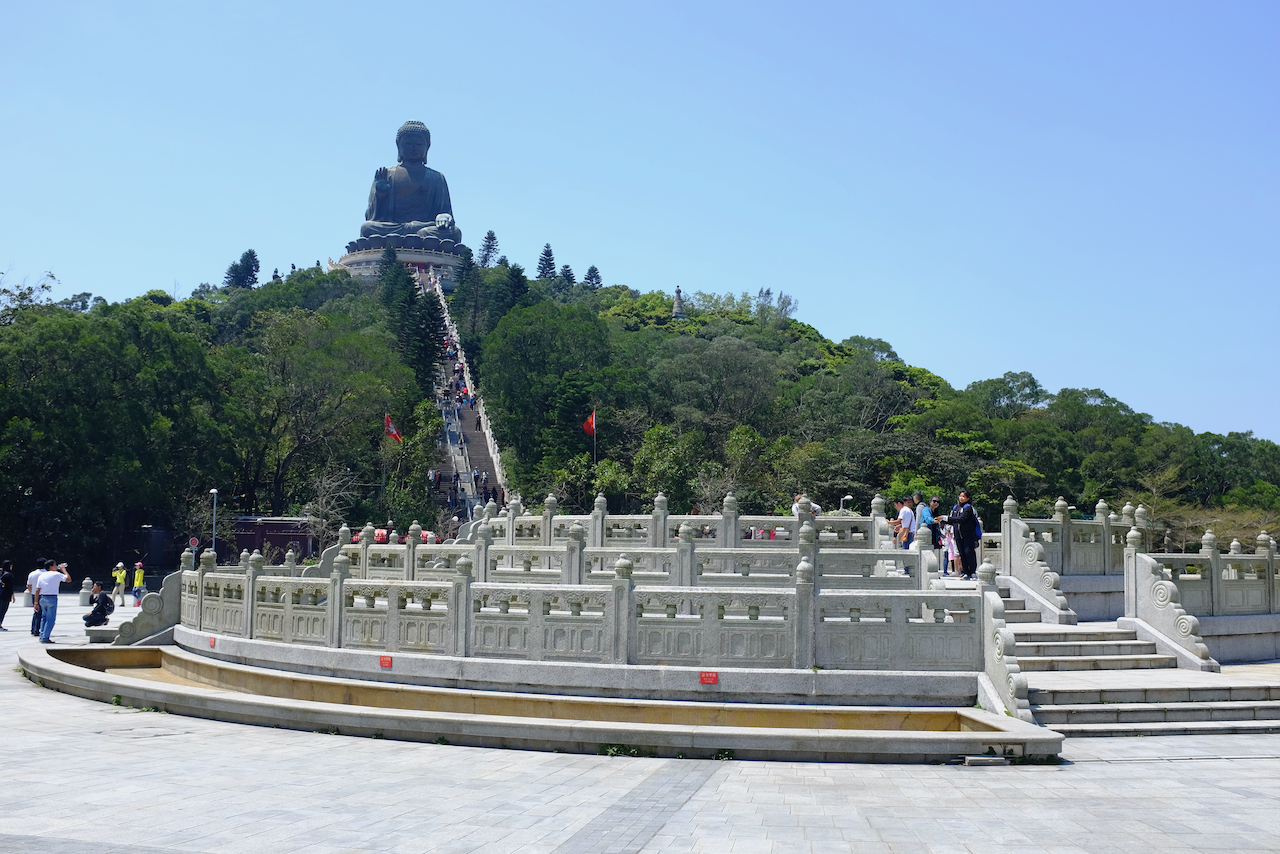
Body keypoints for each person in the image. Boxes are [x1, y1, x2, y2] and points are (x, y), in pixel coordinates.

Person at [936, 490, 981, 579]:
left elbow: (961, 519)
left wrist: (945, 517)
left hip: (968, 535)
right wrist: (943, 520)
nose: (961, 498)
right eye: (960, 496)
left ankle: (972, 571)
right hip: (958, 535)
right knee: (962, 554)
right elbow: (953, 520)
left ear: (968, 498)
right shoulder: (956, 508)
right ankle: (965, 572)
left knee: (969, 552)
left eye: (963, 496)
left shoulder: (968, 508)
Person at [34, 559, 71, 643]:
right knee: (50, 619)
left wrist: (36, 603)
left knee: (44, 617)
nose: (56, 566)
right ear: (51, 566)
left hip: (42, 597)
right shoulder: (56, 574)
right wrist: (64, 570)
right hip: (51, 597)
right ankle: (45, 637)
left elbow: (37, 590)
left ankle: (42, 635)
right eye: (55, 565)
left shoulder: (42, 575)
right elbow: (68, 579)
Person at [27, 561, 45, 636]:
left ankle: (33, 628)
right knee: (42, 614)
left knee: (36, 612)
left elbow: (28, 585)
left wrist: (32, 592)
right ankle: (37, 629)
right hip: (43, 594)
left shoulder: (32, 573)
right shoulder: (46, 573)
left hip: (34, 594)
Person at [0, 559, 14, 630]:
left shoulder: (1, 574)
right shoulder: (9, 575)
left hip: (0, 594)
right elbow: (9, 587)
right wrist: (12, 595)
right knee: (2, 610)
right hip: (5, 596)